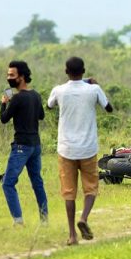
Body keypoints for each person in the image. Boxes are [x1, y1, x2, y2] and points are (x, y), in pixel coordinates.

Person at [47, 57, 113, 245]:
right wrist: (94, 84)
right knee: (90, 188)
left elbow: (49, 105)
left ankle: (72, 236)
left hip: (66, 149)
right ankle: (83, 218)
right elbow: (108, 108)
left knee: (69, 192)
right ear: (84, 71)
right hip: (88, 148)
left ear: (66, 71)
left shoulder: (59, 90)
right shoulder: (94, 89)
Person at [0, 60, 48, 226]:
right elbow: (41, 116)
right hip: (36, 145)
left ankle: (18, 221)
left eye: (12, 75)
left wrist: (3, 103)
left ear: (21, 77)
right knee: (37, 182)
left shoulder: (17, 99)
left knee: (8, 183)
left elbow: (4, 119)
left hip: (21, 146)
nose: (9, 78)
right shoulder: (36, 95)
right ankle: (44, 220)